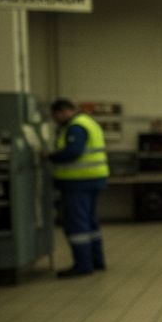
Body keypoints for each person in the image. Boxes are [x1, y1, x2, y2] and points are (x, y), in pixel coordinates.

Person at [48, 99, 108, 277]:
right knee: (90, 222)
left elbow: (73, 152)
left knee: (77, 223)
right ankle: (97, 261)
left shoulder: (75, 127)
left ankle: (83, 265)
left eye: (56, 116)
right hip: (94, 178)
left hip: (79, 181)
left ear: (63, 111)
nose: (56, 120)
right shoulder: (89, 122)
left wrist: (50, 156)